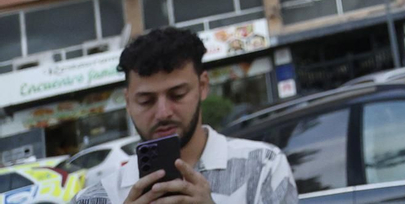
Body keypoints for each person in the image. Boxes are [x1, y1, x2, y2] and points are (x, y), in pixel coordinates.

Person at [72, 27, 295, 204]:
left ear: (203, 86)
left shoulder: (263, 168)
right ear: (128, 101)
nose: (163, 112)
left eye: (177, 95)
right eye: (146, 101)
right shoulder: (95, 199)